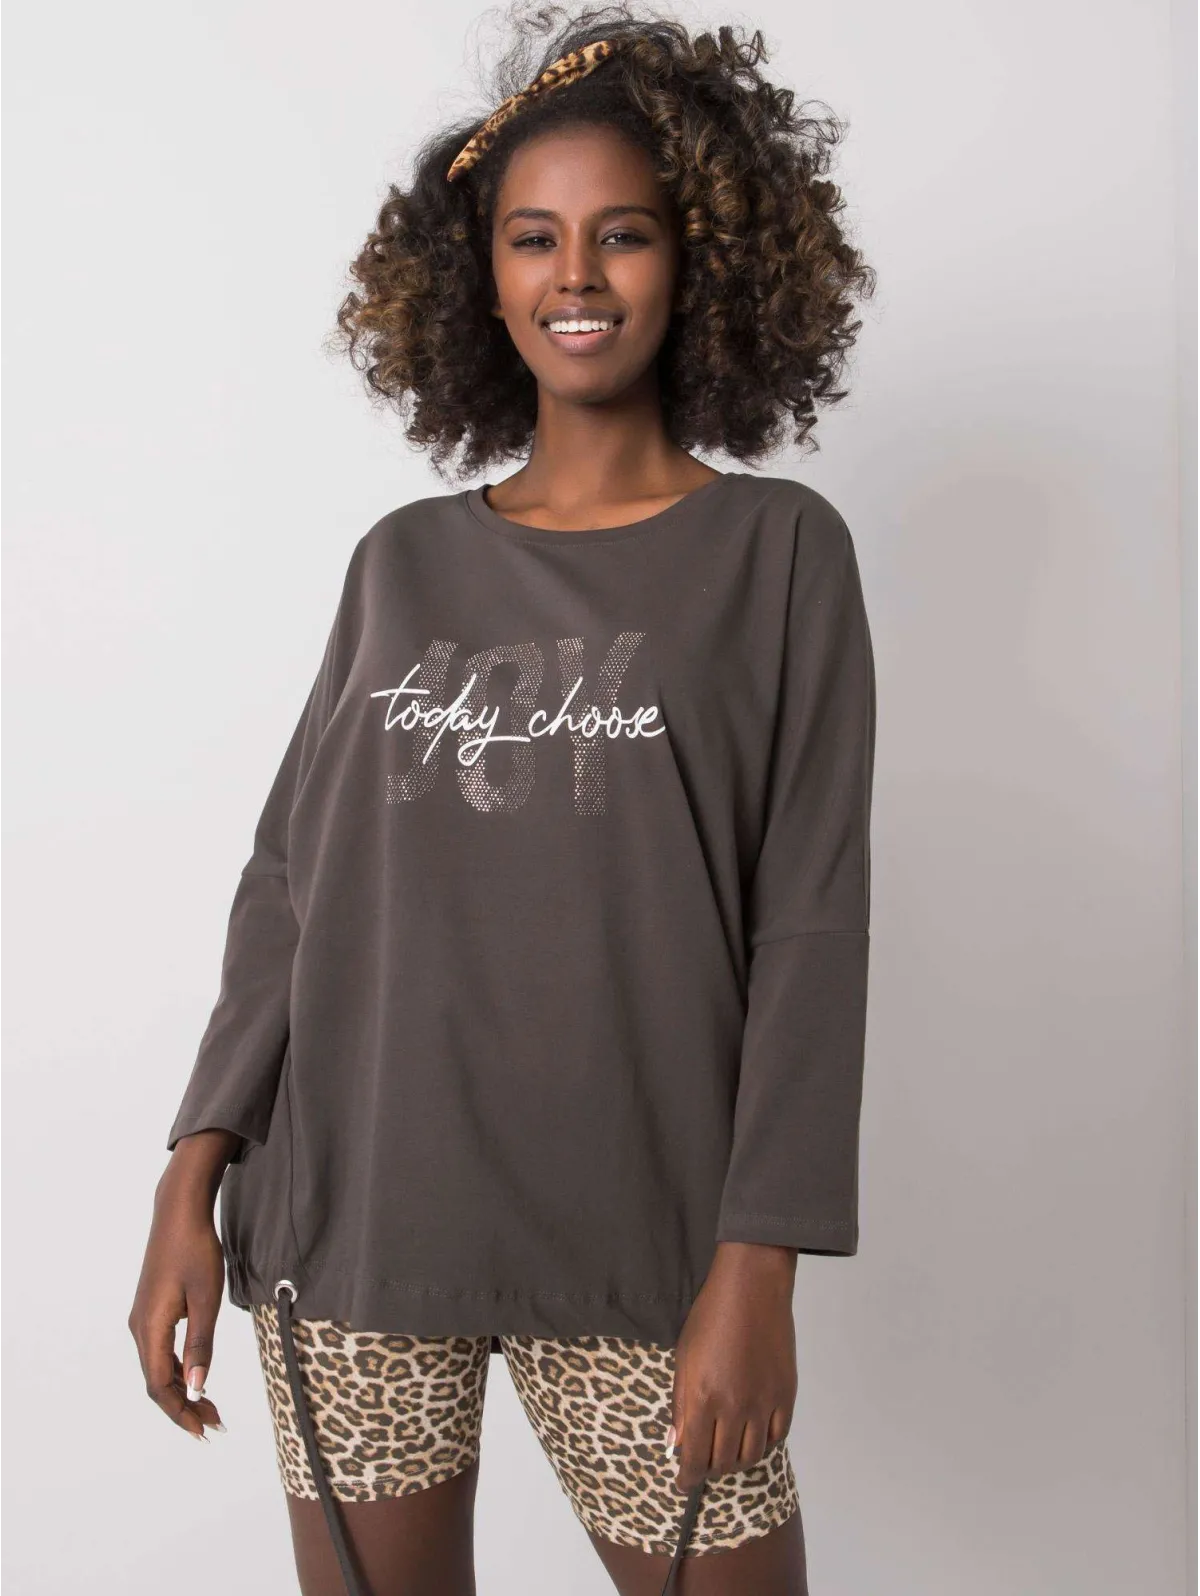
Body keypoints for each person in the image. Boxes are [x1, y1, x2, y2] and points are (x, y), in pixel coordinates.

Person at [128, 7, 878, 1593]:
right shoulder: (400, 564)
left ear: (702, 260)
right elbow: (289, 884)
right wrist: (193, 1168)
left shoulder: (779, 553)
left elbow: (811, 921)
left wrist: (761, 1263)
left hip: (644, 1248)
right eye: (534, 238)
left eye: (625, 234)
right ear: (480, 277)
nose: (576, 276)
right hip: (356, 1231)